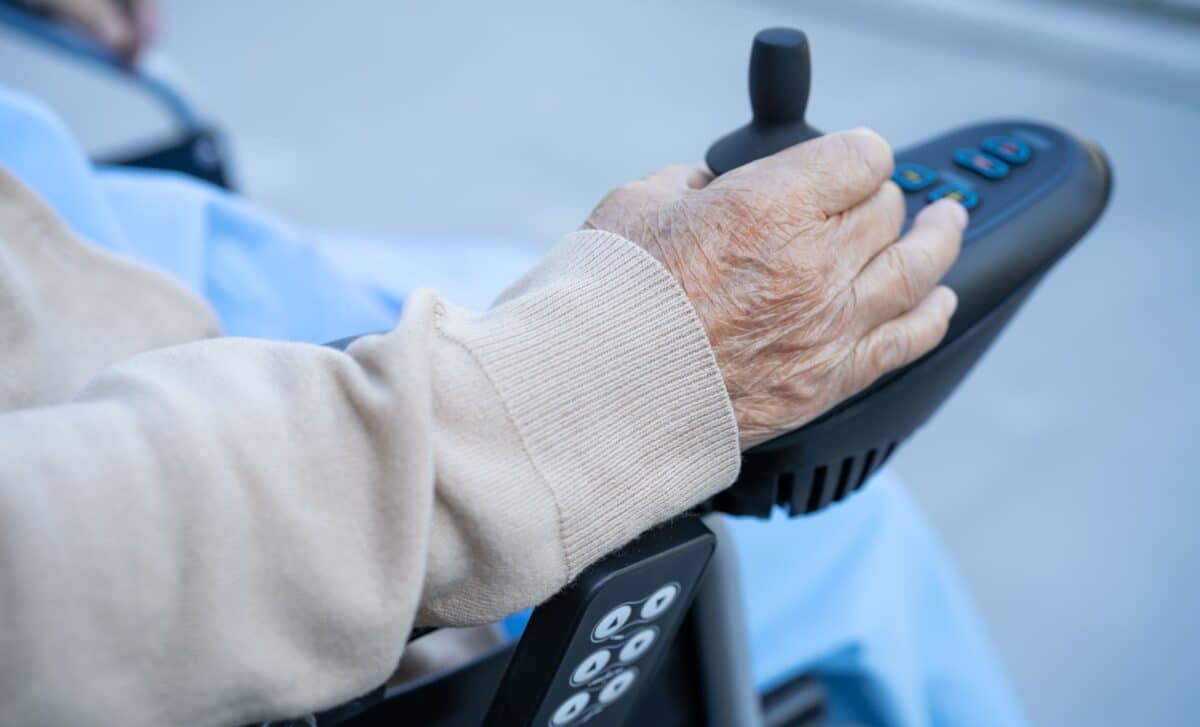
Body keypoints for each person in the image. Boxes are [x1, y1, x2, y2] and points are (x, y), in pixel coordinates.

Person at [0, 4, 1026, 726]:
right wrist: (605, 378)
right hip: (107, 448)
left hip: (52, 216)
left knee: (507, 273)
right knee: (848, 534)